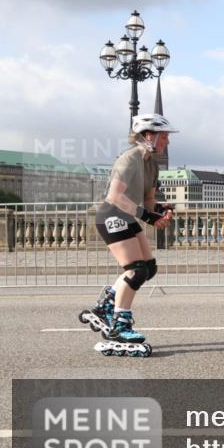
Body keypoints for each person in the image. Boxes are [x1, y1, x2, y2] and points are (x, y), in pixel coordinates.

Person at [79, 114, 177, 357]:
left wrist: (159, 211)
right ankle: (119, 326)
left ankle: (106, 305)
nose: (167, 142)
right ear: (148, 136)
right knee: (135, 270)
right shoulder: (129, 158)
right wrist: (146, 216)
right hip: (111, 214)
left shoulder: (152, 163)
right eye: (163, 136)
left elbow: (148, 200)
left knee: (149, 268)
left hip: (127, 216)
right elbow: (115, 197)